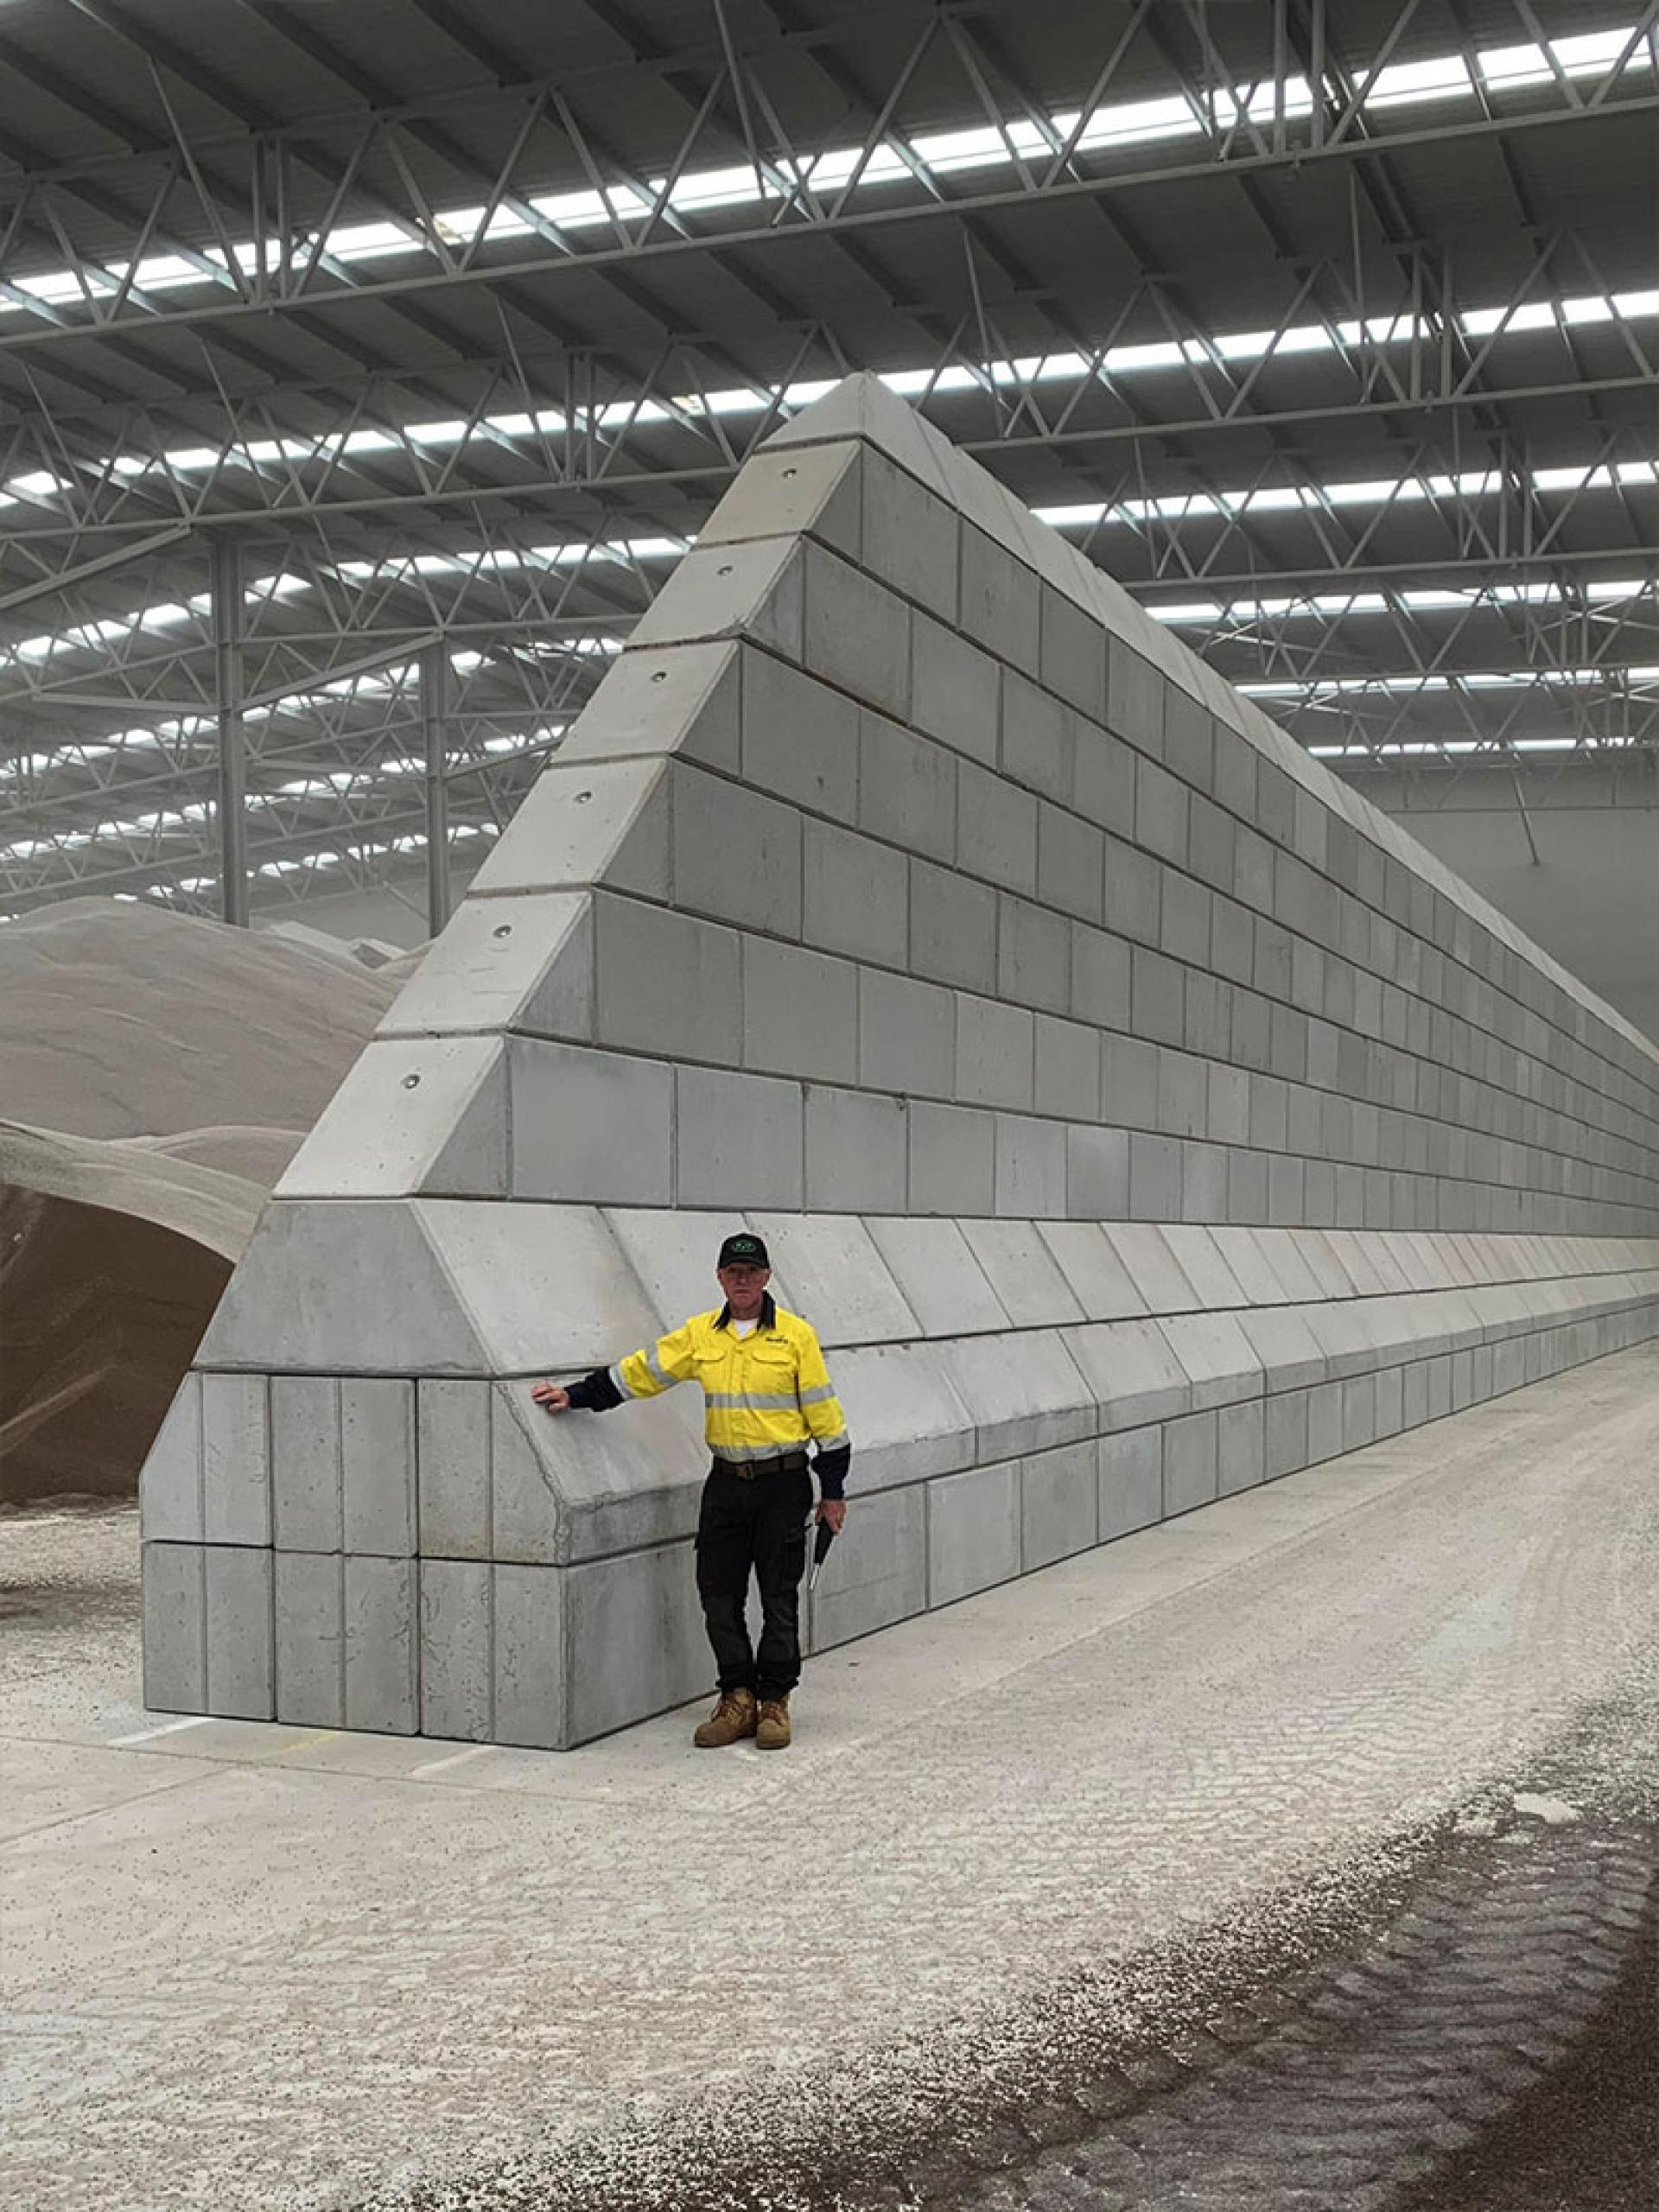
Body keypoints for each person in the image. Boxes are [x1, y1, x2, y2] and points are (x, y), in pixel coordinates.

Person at [532, 1232, 850, 1751]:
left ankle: (774, 1702)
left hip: (784, 1485)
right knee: (718, 1596)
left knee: (778, 1599)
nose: (743, 1280)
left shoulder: (797, 1338)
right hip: (726, 1483)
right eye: (733, 1272)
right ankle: (737, 1697)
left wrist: (831, 1492)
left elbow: (827, 1419)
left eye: (752, 1272)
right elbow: (642, 1371)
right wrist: (576, 1394)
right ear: (721, 1278)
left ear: (767, 1277)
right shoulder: (701, 1335)